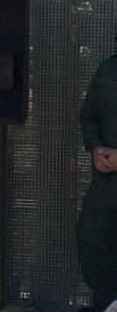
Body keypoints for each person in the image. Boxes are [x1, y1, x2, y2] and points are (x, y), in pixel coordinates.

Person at [78, 55, 117, 312]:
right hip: (106, 182)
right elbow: (89, 115)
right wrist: (94, 147)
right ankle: (107, 305)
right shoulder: (109, 68)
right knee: (93, 238)